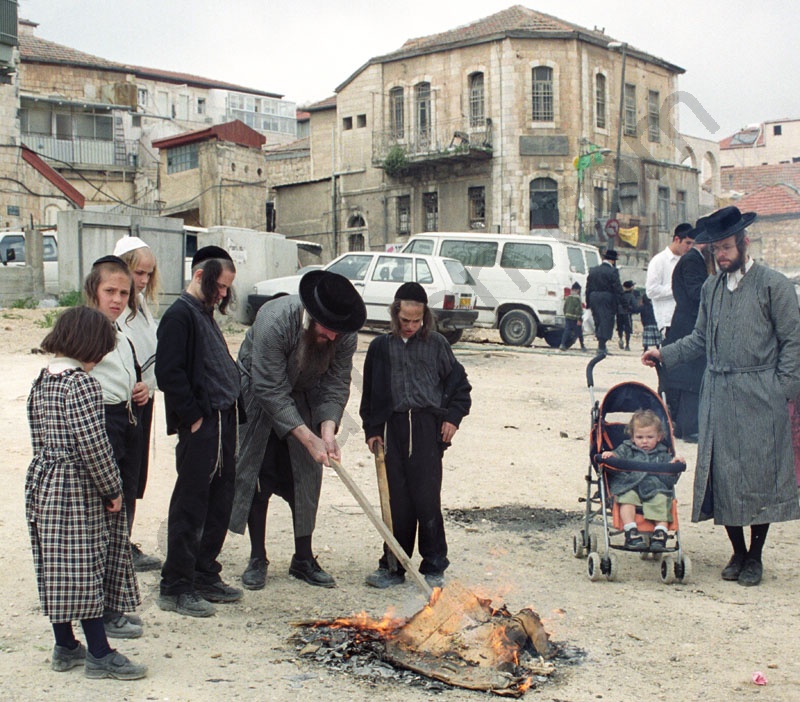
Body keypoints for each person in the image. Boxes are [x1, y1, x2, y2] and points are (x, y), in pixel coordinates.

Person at [643, 206, 800, 587]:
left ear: (744, 244)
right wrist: (665, 353)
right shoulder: (711, 288)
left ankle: (756, 555)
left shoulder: (773, 285)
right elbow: (699, 339)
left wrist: (782, 389)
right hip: (718, 392)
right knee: (724, 472)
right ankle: (738, 551)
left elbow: (793, 342)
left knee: (760, 474)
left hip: (761, 392)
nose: (722, 255)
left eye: (728, 248)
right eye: (717, 250)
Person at [26, 306, 146, 680]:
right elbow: (94, 445)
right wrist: (112, 489)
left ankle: (64, 646)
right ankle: (99, 651)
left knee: (57, 565)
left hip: (44, 481)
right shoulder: (81, 384)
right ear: (90, 346)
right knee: (85, 565)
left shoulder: (43, 380)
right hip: (77, 487)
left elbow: (37, 434)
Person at [230, 270, 366, 590]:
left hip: (305, 396)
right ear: (311, 316)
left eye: (338, 332)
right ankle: (257, 557)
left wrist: (328, 432)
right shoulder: (274, 321)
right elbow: (270, 389)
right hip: (259, 399)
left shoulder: (343, 333)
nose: (333, 338)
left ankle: (303, 559)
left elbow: (335, 384)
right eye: (327, 330)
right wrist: (308, 438)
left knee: (305, 479)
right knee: (257, 477)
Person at [360, 282, 472, 589]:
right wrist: (372, 430)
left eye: (416, 320)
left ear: (425, 316)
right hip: (391, 430)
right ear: (395, 313)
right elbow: (369, 394)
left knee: (426, 498)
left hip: (426, 428)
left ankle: (434, 564)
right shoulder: (380, 348)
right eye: (405, 320)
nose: (410, 326)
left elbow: (460, 387)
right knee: (396, 502)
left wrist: (452, 419)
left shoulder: (437, 344)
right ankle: (393, 565)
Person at [155, 245, 244, 617]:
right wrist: (192, 416)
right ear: (199, 276)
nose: (223, 294)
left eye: (227, 288)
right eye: (219, 286)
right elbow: (168, 373)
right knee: (191, 503)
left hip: (223, 421)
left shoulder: (204, 313)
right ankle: (176, 586)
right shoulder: (179, 316)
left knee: (220, 499)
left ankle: (204, 571)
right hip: (203, 424)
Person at [84, 256, 149, 640]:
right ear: (94, 291)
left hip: (127, 419)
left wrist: (138, 388)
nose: (118, 299)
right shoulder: (86, 329)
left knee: (124, 508)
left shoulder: (120, 331)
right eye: (110, 291)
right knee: (103, 516)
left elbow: (127, 374)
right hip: (103, 422)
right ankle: (101, 611)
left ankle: (111, 603)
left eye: (124, 293)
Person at [113, 236, 162, 572]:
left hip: (144, 398)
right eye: (138, 272)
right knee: (119, 476)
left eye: (148, 274)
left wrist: (150, 385)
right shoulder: (112, 307)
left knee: (135, 476)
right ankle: (115, 545)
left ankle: (124, 540)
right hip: (120, 405)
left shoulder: (141, 305)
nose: (142, 280)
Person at [600, 409, 684, 553]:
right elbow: (615, 457)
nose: (644, 441)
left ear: (659, 437)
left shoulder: (662, 454)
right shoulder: (627, 449)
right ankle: (630, 530)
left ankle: (660, 533)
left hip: (654, 488)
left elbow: (669, 480)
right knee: (626, 499)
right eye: (639, 437)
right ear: (632, 437)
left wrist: (674, 465)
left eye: (650, 437)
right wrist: (610, 455)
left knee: (662, 500)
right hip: (630, 485)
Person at [662, 218, 713, 441]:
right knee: (690, 381)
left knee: (687, 380)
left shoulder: (694, 259)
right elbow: (696, 293)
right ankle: (689, 428)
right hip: (688, 327)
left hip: (687, 325)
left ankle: (685, 426)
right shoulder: (693, 260)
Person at [645, 222, 695, 338]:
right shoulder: (659, 261)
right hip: (668, 320)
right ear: (677, 239)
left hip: (687, 318)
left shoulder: (688, 260)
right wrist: (678, 290)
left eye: (692, 244)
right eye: (687, 243)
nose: (689, 247)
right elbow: (651, 291)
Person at [585, 248, 623, 353]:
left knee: (597, 320)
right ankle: (602, 346)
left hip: (593, 297)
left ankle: (600, 344)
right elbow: (617, 288)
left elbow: (588, 288)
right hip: (607, 298)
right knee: (606, 321)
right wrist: (621, 302)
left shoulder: (593, 270)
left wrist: (588, 303)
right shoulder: (613, 271)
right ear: (613, 260)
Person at [559, 282, 586, 351]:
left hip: (568, 317)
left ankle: (562, 344)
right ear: (578, 290)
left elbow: (564, 308)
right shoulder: (577, 299)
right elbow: (579, 310)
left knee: (566, 331)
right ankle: (582, 346)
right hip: (575, 318)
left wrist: (566, 314)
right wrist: (580, 319)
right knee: (579, 333)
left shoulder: (568, 298)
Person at [616, 280, 636, 351]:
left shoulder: (619, 294)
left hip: (619, 313)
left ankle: (620, 339)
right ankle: (627, 344)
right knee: (628, 329)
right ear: (630, 287)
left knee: (620, 328)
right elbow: (634, 305)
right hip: (627, 314)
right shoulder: (631, 295)